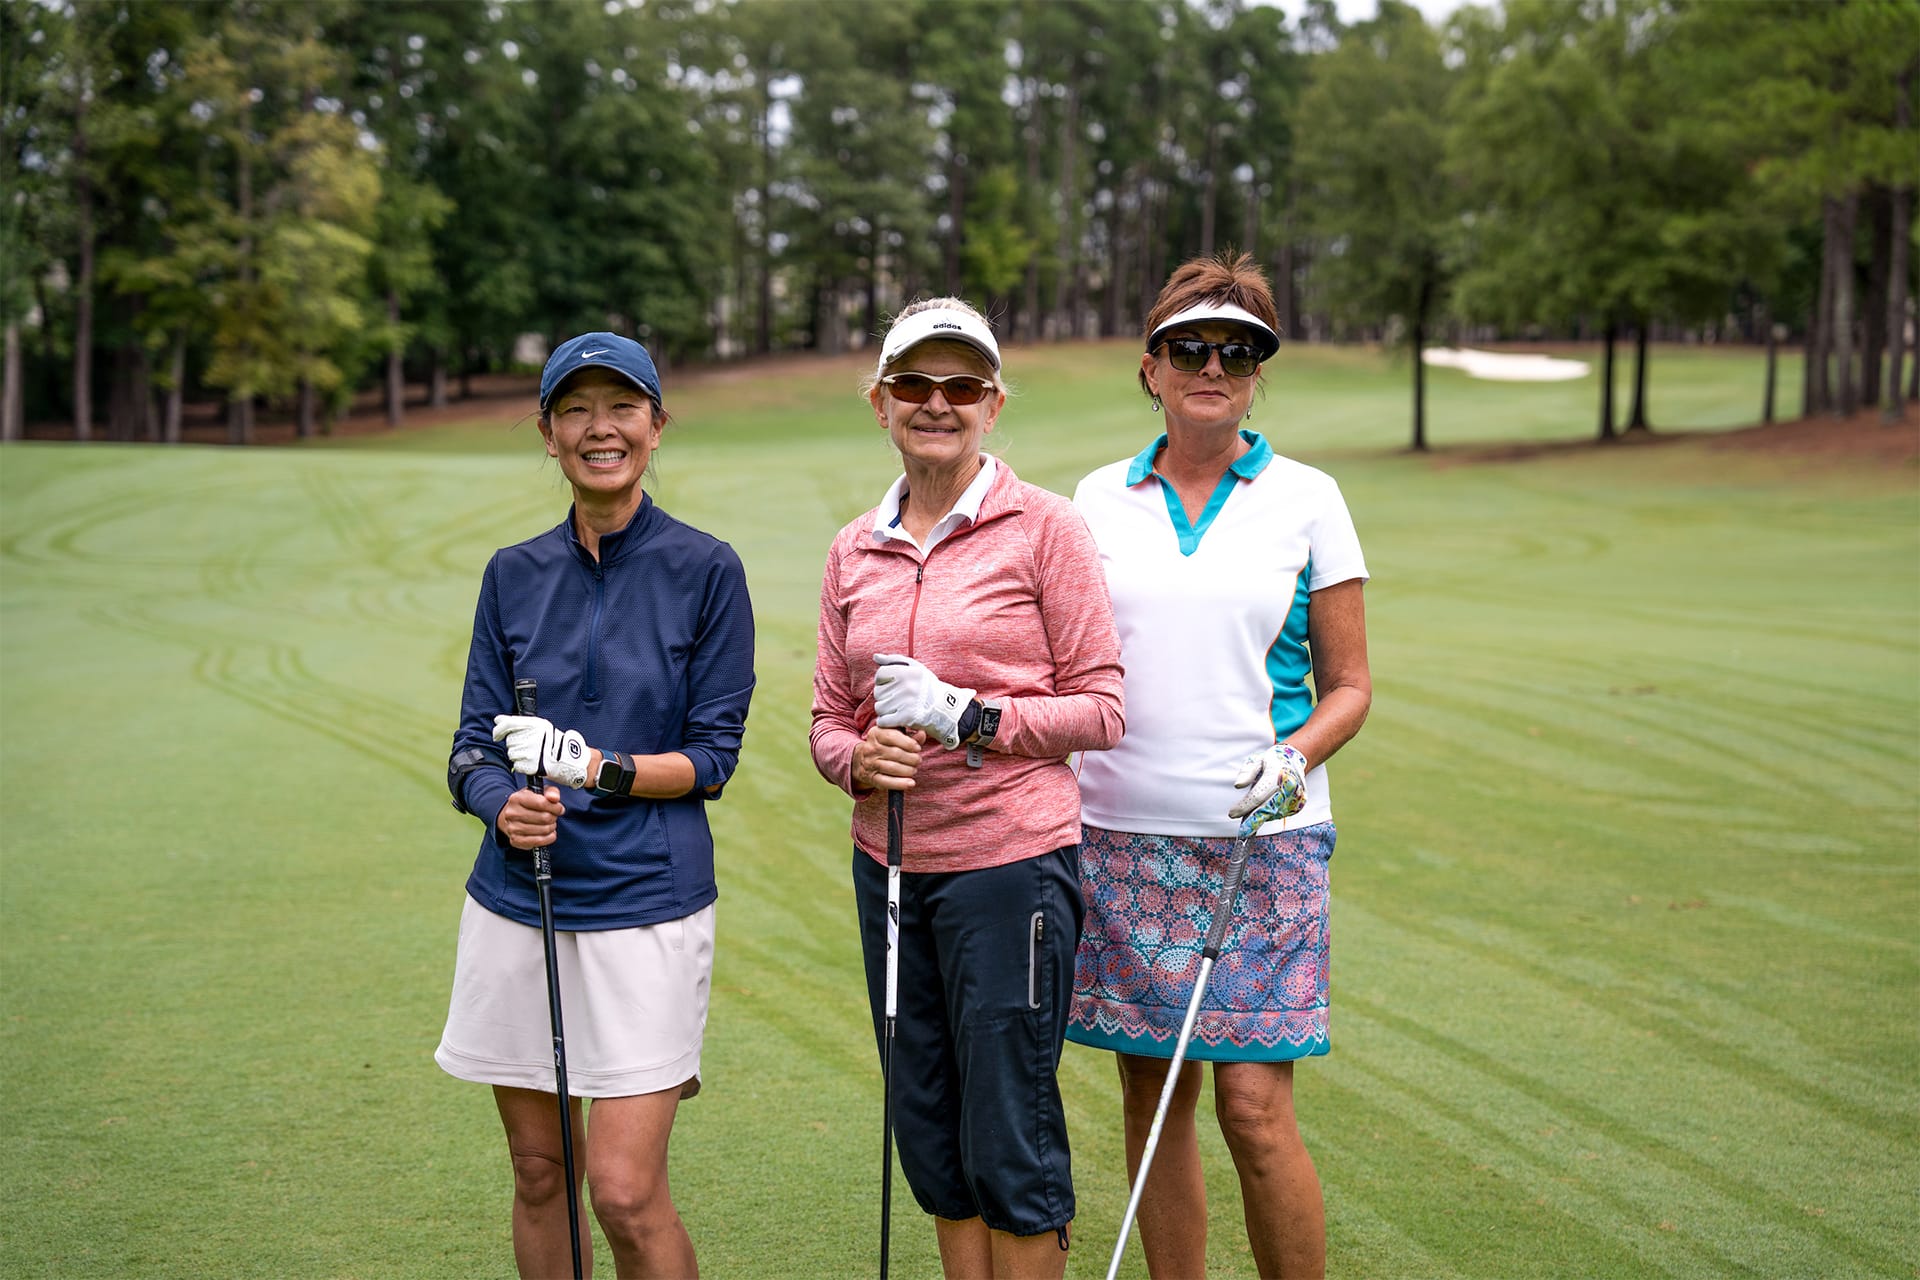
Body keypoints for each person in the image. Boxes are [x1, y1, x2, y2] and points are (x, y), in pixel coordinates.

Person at [1067, 253, 1372, 1280]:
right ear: (1150, 366)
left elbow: (1351, 685)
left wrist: (1294, 756)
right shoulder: (1096, 498)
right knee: (1155, 1100)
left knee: (1253, 1105)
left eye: (1237, 353)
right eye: (1190, 347)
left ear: (1257, 374)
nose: (1213, 367)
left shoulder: (1309, 498)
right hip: (1120, 837)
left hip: (1264, 841)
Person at [809, 298, 1125, 1279]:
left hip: (1011, 870)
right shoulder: (853, 549)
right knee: (931, 1128)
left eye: (962, 386)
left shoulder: (1047, 528)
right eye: (914, 383)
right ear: (881, 402)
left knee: (1007, 1131)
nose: (936, 403)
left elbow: (1103, 708)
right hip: (891, 870)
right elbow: (826, 718)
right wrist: (855, 759)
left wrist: (970, 715)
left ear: (993, 404)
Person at [436, 331, 755, 1279]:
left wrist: (592, 769)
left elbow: (712, 759)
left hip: (645, 903)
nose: (599, 428)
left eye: (622, 407)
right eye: (575, 410)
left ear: (657, 425)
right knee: (541, 1173)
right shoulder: (513, 572)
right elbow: (470, 747)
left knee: (621, 1190)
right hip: (519, 901)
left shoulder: (707, 569)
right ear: (548, 434)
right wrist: (502, 805)